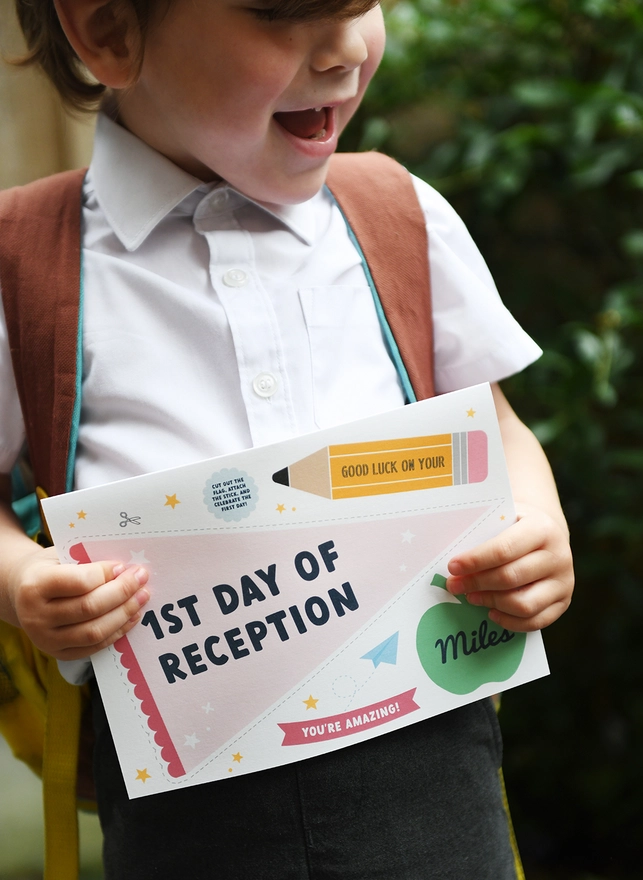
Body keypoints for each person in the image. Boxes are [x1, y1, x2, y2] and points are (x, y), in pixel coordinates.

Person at [0, 0, 574, 877]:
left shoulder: (398, 213)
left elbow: (494, 423)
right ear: (110, 30)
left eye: (363, 4)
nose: (347, 50)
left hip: (429, 762)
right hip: (183, 804)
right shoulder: (22, 261)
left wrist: (535, 525)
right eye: (285, 13)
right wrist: (22, 577)